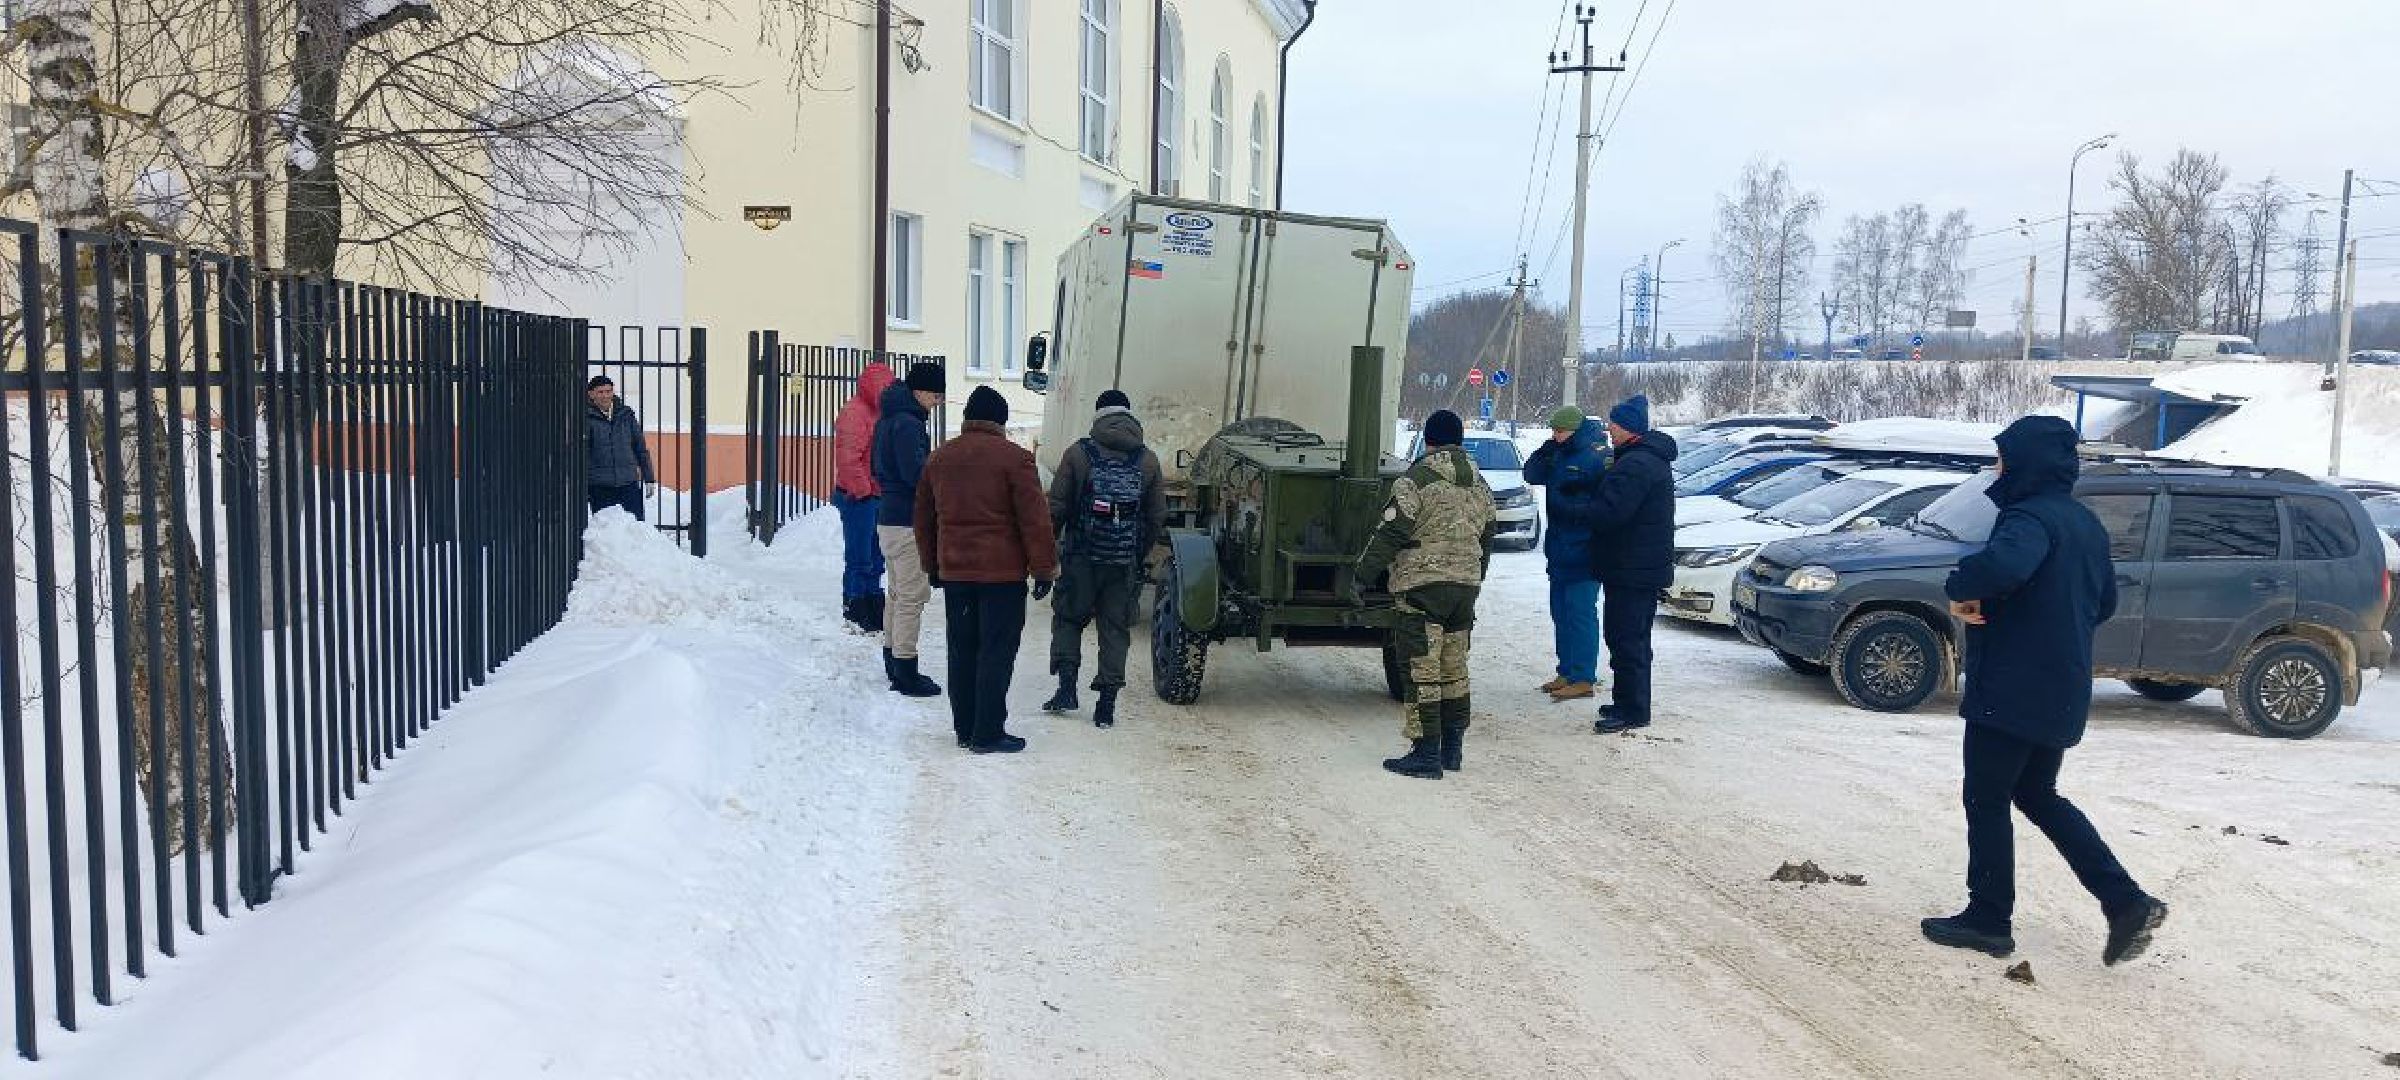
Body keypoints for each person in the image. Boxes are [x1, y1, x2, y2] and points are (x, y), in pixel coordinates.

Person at [1923, 414, 2167, 965]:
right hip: (2060, 687)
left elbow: (2003, 568)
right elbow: (2103, 603)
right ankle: (2126, 901)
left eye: (2003, 458)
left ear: (2026, 462)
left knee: (1985, 798)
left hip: (2012, 687)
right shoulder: (2084, 523)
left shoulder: (2027, 517)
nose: (1997, 468)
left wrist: (1964, 586)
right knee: (2037, 794)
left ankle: (1988, 918)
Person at [1351, 409, 1496, 779]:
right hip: (1465, 587)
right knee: (1454, 667)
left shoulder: (1415, 480)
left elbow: (1391, 533)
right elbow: (1488, 537)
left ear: (1428, 441)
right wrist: (1475, 575)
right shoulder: (1479, 484)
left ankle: (1425, 752)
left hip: (1422, 586)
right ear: (1460, 441)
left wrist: (1361, 577)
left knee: (1420, 668)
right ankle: (1452, 749)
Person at [916, 386, 1059, 753]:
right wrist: (1043, 569)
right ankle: (988, 732)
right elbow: (1034, 521)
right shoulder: (1016, 460)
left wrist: (932, 565)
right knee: (996, 651)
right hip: (1002, 577)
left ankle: (964, 729)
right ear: (1001, 420)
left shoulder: (940, 459)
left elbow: (925, 520)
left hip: (957, 575)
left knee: (961, 650)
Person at [1551, 395, 1678, 734]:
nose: (1609, 429)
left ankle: (1633, 709)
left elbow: (1610, 513)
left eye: (1615, 424)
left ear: (1629, 429)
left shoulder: (1638, 464)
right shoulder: (1638, 459)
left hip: (1633, 569)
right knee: (1626, 637)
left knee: (1628, 640)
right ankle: (1626, 700)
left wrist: (1573, 510)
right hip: (1632, 566)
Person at [1043, 388, 1165, 729]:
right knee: (1114, 629)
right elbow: (1156, 517)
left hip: (1081, 556)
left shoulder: (1078, 454)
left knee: (1068, 618)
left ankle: (1067, 689)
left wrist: (1049, 551)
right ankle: (1106, 705)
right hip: (1122, 561)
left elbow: (1057, 508)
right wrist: (1136, 552)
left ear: (1097, 416)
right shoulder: (1148, 460)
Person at [1521, 404, 1611, 702]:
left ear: (1574, 430)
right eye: (1553, 431)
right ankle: (1567, 670)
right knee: (1561, 613)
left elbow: (1605, 503)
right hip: (1559, 547)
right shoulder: (1559, 451)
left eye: (1559, 431)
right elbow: (1532, 474)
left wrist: (1576, 509)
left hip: (1584, 550)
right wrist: (1544, 450)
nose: (1555, 435)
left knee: (1581, 614)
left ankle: (1583, 676)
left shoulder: (1596, 456)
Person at [873, 362, 946, 697]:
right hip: (906, 521)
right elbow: (914, 473)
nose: (939, 400)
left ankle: (893, 658)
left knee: (898, 593)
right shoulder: (907, 424)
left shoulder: (890, 418)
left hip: (889, 517)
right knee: (911, 596)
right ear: (918, 391)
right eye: (935, 393)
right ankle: (905, 668)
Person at [833, 361, 896, 634]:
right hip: (857, 497)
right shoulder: (855, 413)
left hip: (876, 494)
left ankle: (872, 606)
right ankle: (855, 607)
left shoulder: (881, 414)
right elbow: (848, 459)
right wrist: (863, 489)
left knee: (876, 556)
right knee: (859, 557)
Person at [584, 375, 655, 520]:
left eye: (608, 391)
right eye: (600, 392)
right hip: (600, 486)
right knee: (606, 532)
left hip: (628, 482)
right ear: (591, 394)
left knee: (634, 528)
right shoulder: (585, 417)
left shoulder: (626, 414)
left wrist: (649, 478)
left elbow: (640, 447)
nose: (605, 396)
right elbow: (581, 454)